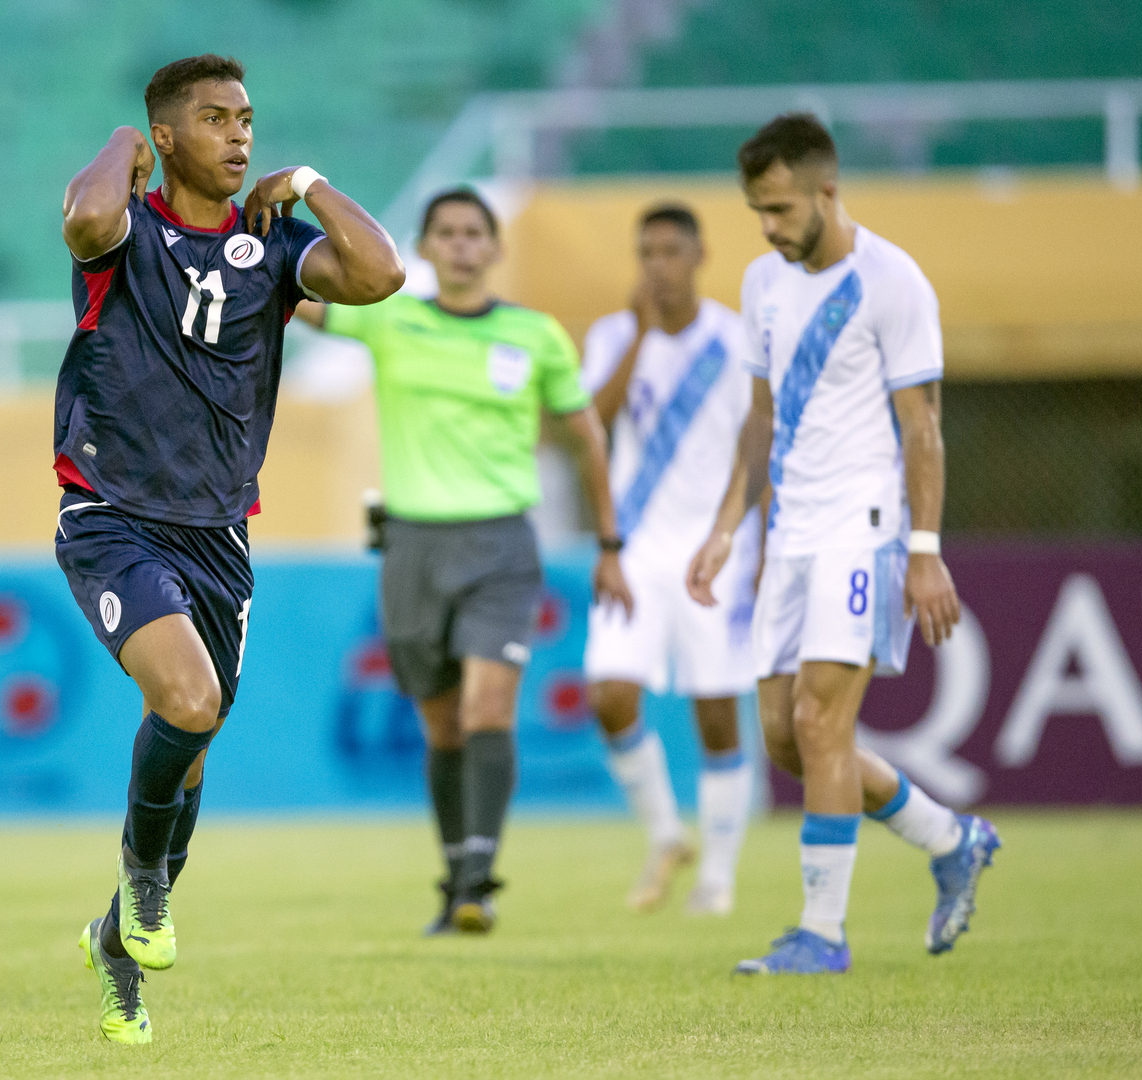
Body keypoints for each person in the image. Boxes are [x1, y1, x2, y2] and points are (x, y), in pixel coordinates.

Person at [55, 54, 404, 1043]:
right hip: (111, 515)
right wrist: (125, 141)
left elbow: (381, 275)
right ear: (167, 137)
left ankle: (118, 940)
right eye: (214, 119)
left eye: (246, 119)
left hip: (219, 537)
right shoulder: (126, 229)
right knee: (189, 701)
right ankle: (142, 890)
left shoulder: (273, 245)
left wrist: (308, 185)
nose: (240, 135)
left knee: (193, 750)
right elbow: (84, 221)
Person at [686, 113, 1000, 975]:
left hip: (863, 532)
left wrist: (926, 549)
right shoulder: (762, 282)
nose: (769, 228)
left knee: (824, 723)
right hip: (788, 534)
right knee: (788, 740)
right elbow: (760, 418)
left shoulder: (893, 282)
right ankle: (951, 837)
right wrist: (724, 530)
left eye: (782, 209)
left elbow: (922, 426)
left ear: (828, 189)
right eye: (757, 211)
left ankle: (821, 935)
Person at [295, 187, 632, 936]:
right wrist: (244, 232)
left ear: (494, 247)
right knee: (443, 725)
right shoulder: (391, 318)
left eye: (474, 233)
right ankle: (457, 877)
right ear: (425, 246)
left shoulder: (535, 335)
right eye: (445, 233)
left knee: (487, 709)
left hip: (502, 546)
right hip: (412, 545)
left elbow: (587, 437)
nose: (460, 245)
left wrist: (610, 544)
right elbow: (290, 296)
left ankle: (480, 874)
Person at [580, 202, 761, 916]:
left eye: (670, 251)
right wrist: (640, 342)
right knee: (610, 693)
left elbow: (761, 445)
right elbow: (590, 425)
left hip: (715, 549)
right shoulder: (614, 334)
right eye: (646, 253)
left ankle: (717, 877)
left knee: (716, 710)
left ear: (699, 255)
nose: (658, 266)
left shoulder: (736, 340)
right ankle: (665, 834)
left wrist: (757, 542)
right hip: (632, 547)